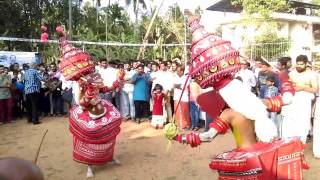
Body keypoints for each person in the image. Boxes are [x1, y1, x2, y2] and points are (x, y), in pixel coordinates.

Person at [167, 15, 307, 179]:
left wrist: (177, 136)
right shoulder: (257, 104)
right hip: (264, 155)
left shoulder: (228, 114)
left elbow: (206, 136)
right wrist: (283, 76)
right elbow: (288, 98)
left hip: (245, 161)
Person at [56, 26, 122, 177]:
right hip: (89, 113)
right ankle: (89, 167)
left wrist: (115, 85)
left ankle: (109, 156)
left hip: (103, 109)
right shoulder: (81, 82)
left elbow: (104, 89)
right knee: (89, 139)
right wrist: (88, 99)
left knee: (110, 135)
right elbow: (80, 101)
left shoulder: (95, 77)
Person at [281, 55, 318, 143]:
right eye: (297, 64)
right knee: (290, 125)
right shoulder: (291, 73)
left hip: (304, 103)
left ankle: (300, 145)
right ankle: (289, 145)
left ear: (306, 64)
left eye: (301, 64)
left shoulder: (312, 74)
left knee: (303, 126)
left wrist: (302, 88)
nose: (299, 66)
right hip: (292, 103)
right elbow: (287, 85)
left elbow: (315, 89)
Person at [173, 66, 190, 130]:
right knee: (176, 111)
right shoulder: (175, 77)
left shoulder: (186, 78)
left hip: (184, 97)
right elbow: (173, 85)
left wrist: (177, 86)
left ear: (182, 71)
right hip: (176, 96)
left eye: (178, 71)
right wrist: (178, 85)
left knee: (185, 111)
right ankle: (178, 124)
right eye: (177, 71)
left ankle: (186, 125)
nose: (177, 72)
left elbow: (184, 87)